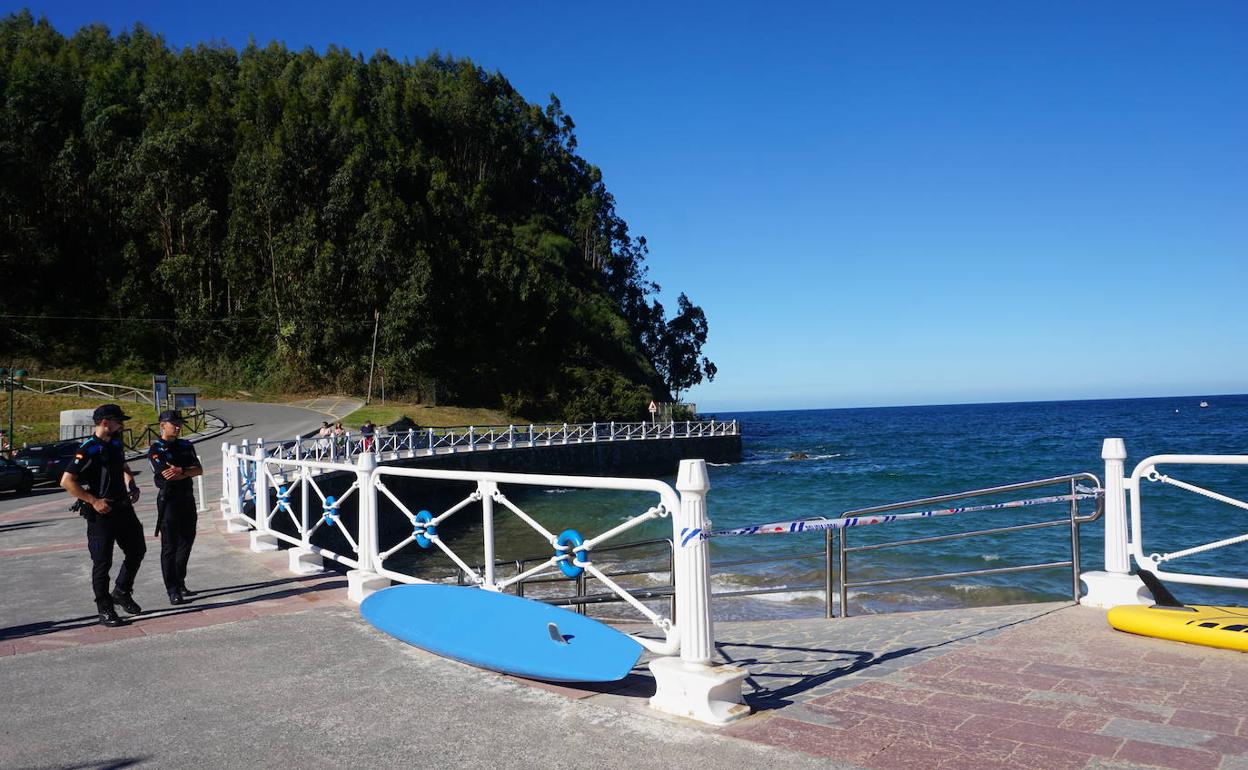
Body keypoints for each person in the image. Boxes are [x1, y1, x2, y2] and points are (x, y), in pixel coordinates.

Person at [60, 404, 144, 628]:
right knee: (102, 562)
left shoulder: (116, 442)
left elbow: (123, 465)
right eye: (118, 421)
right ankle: (105, 608)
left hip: (123, 508)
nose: (121, 425)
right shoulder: (88, 449)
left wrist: (131, 484)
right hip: (101, 513)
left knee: (137, 550)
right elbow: (67, 481)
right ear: (105, 422)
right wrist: (93, 501)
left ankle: (122, 591)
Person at [148, 409, 203, 606]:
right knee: (169, 546)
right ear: (163, 425)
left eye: (179, 423)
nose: (179, 426)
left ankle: (180, 582)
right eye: (174, 423)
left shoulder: (186, 445)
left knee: (187, 542)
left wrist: (182, 470)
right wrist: (186, 472)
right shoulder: (156, 449)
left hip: (187, 498)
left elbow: (199, 469)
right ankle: (172, 589)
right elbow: (167, 475)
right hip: (169, 500)